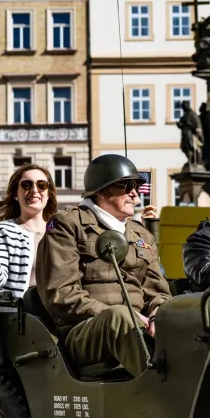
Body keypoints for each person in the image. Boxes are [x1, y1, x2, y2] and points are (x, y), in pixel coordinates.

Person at [37, 154, 170, 378]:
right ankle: (163, 392)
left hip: (139, 327)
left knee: (187, 318)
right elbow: (60, 293)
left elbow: (157, 291)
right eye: (126, 186)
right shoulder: (67, 224)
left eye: (137, 185)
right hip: (84, 331)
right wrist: (126, 315)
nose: (135, 192)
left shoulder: (140, 233)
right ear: (100, 190)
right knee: (118, 317)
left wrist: (158, 315)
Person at [0, 164, 58, 299]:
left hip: (61, 312)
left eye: (41, 185)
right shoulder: (3, 231)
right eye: (26, 185)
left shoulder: (61, 230)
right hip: (21, 314)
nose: (34, 190)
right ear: (15, 195)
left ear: (48, 194)